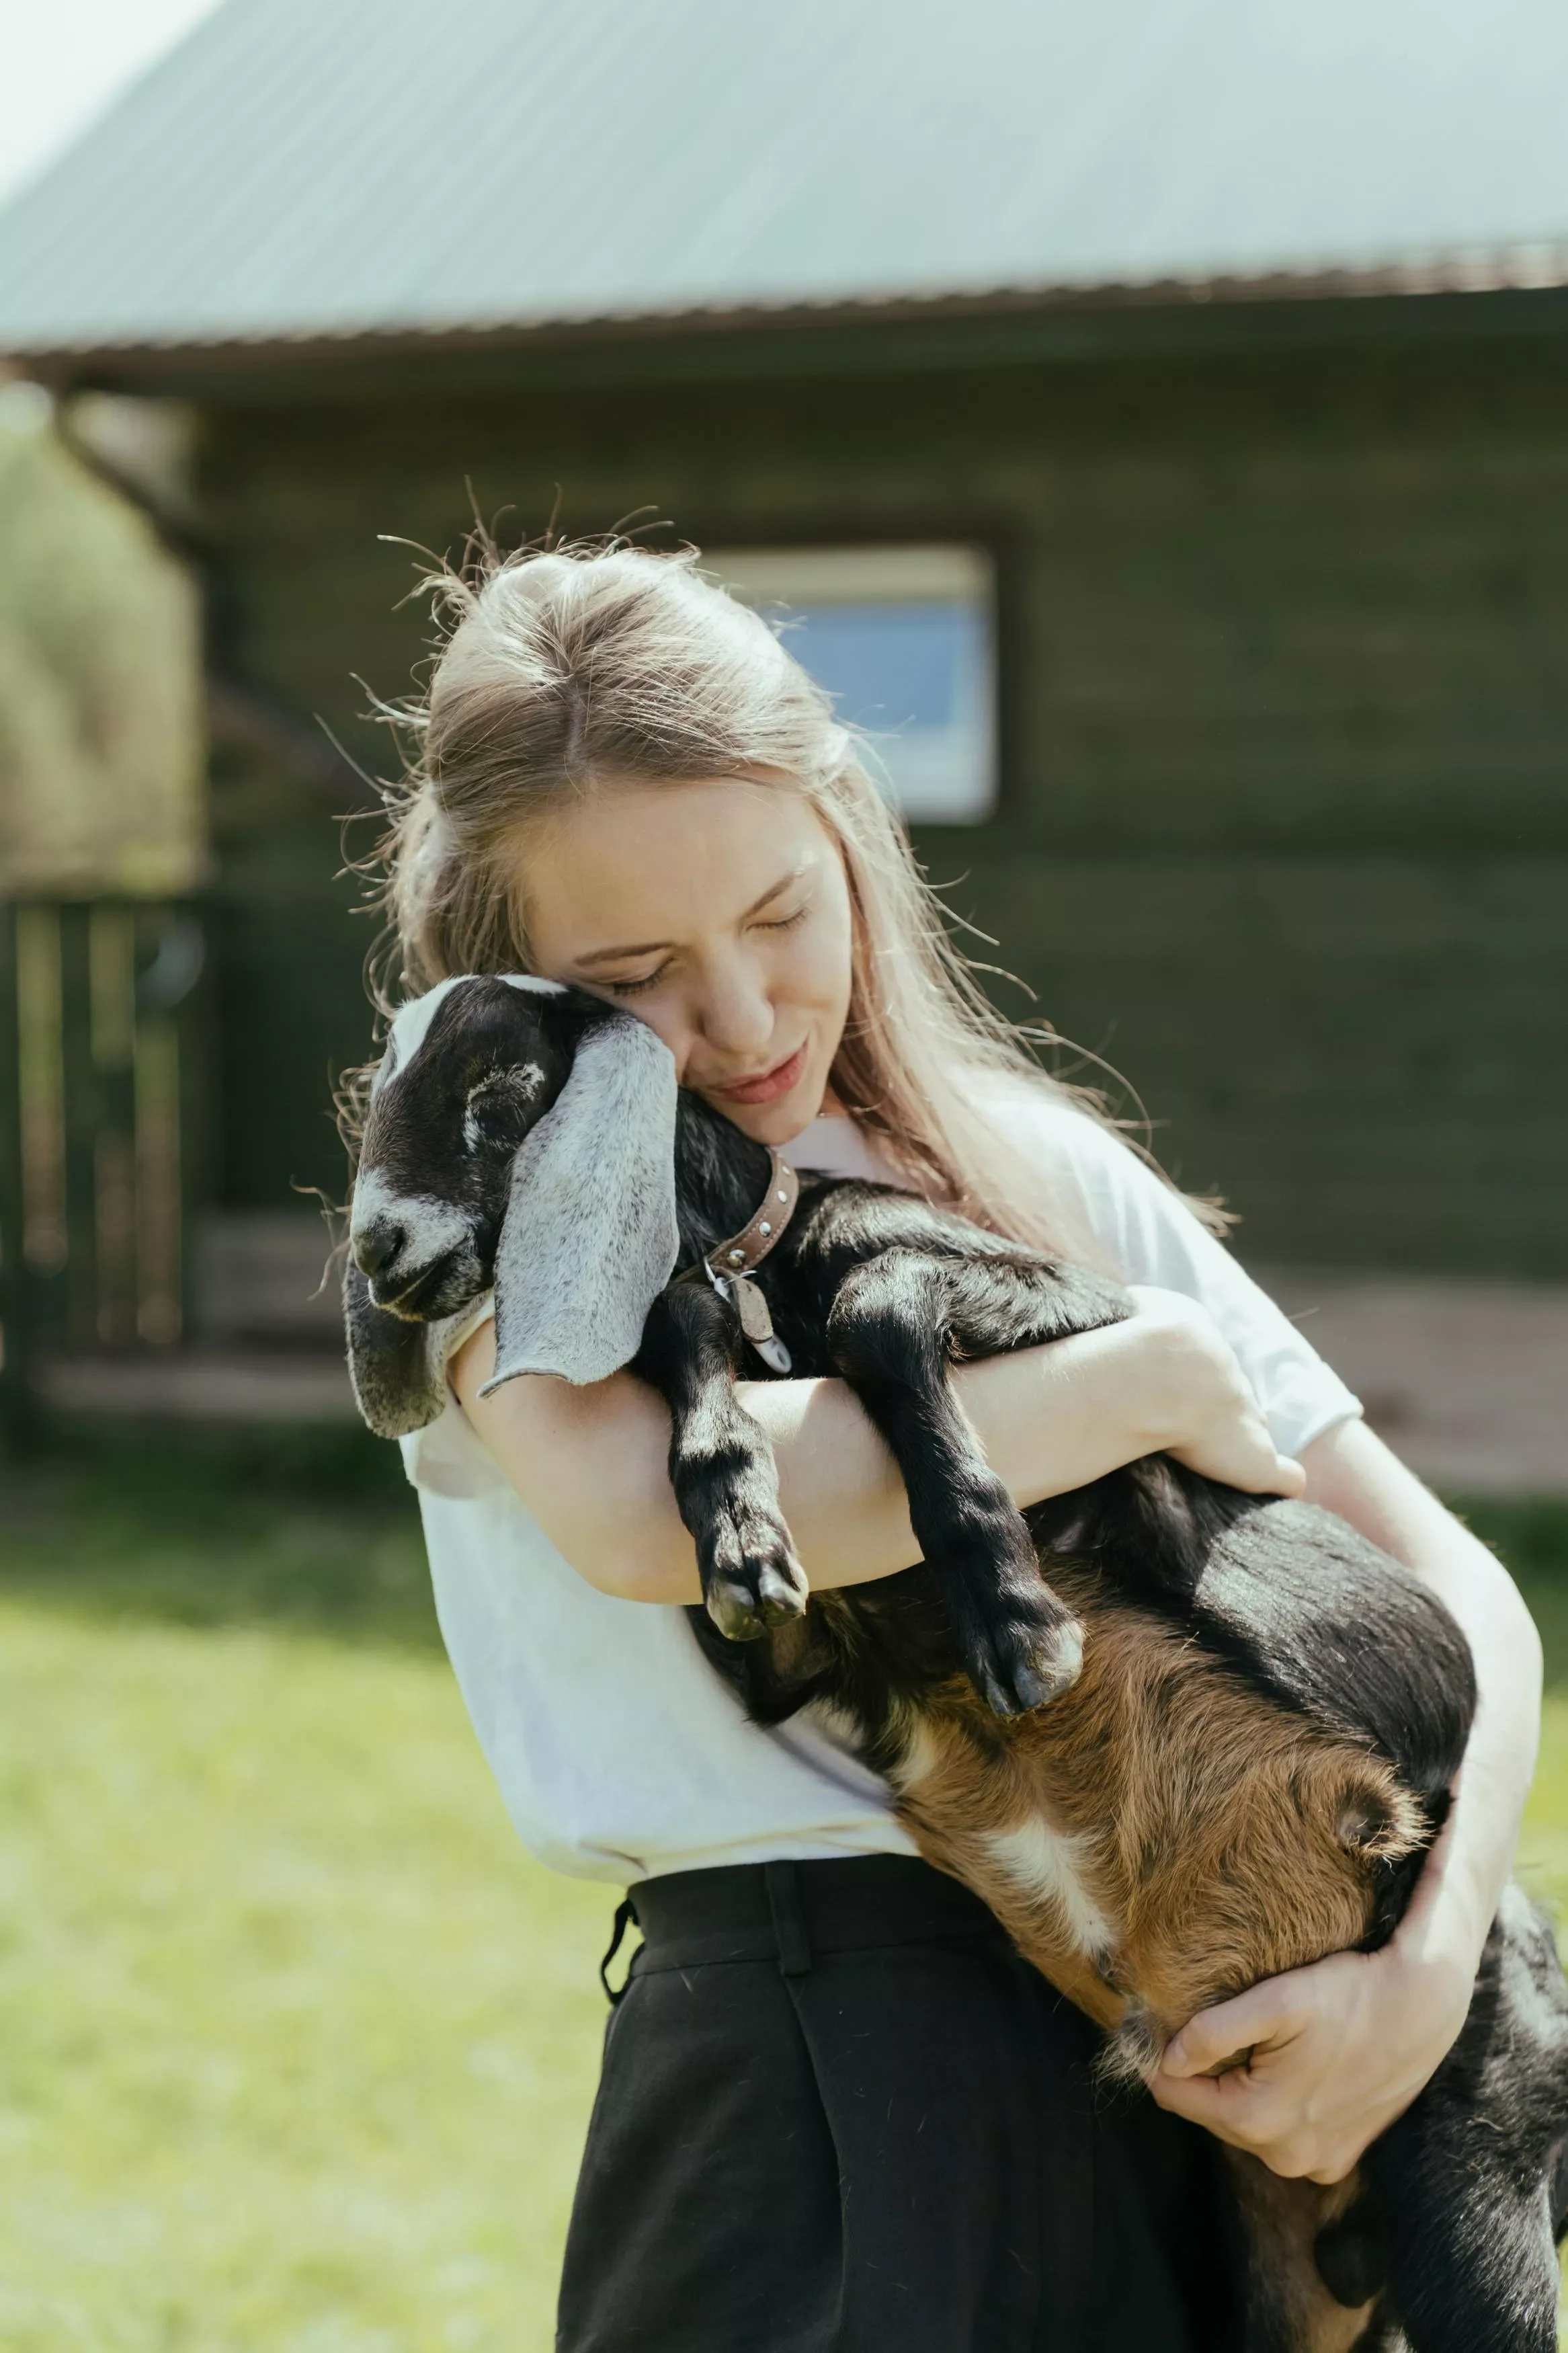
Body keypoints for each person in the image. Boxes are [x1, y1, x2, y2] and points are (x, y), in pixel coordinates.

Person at [363, 538, 1541, 2352]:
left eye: (777, 914)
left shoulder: (1014, 1166)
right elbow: (642, 1516)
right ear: (509, 972)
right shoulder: (505, 1213)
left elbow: (1459, 1589)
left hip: (1188, 2056)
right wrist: (1136, 1378)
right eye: (638, 969)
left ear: (847, 833)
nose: (746, 1016)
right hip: (815, 2088)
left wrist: (1432, 1956)